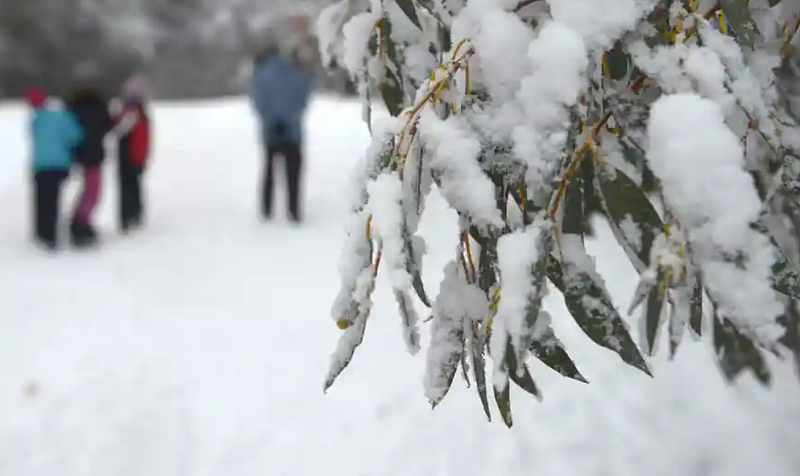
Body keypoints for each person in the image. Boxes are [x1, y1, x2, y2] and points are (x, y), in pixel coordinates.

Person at [250, 44, 312, 223]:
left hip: (270, 131)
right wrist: (290, 119)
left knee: (269, 170)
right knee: (293, 172)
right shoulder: (297, 72)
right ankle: (294, 211)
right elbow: (303, 99)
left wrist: (270, 121)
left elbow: (258, 102)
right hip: (292, 131)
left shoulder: (261, 74)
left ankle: (266, 210)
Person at [25, 87, 83, 251]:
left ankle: (41, 232)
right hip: (60, 165)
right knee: (52, 199)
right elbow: (76, 136)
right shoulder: (63, 116)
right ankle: (50, 236)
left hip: (40, 165)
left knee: (41, 199)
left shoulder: (35, 119)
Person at [66, 62, 113, 247]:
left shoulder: (74, 103)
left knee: (91, 189)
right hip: (89, 152)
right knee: (92, 190)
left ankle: (81, 221)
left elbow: (105, 125)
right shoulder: (94, 103)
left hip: (85, 151)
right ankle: (79, 223)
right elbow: (106, 125)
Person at [112, 73, 152, 233]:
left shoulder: (130, 112)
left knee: (126, 187)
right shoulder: (143, 113)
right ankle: (136, 214)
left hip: (129, 156)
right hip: (139, 157)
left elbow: (120, 130)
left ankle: (127, 218)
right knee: (135, 185)